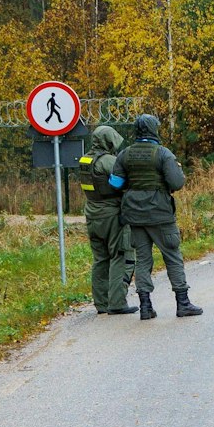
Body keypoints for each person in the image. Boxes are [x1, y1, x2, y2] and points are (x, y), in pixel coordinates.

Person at [107, 113, 203, 319]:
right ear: (154, 130)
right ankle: (183, 303)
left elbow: (115, 184)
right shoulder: (162, 153)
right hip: (160, 215)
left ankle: (145, 307)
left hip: (134, 215)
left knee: (142, 259)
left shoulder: (125, 154)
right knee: (172, 256)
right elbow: (177, 183)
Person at [77, 124, 136, 315]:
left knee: (100, 259)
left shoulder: (85, 159)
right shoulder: (109, 161)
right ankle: (117, 303)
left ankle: (101, 303)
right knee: (120, 255)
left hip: (92, 213)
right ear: (109, 140)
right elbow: (127, 179)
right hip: (111, 214)